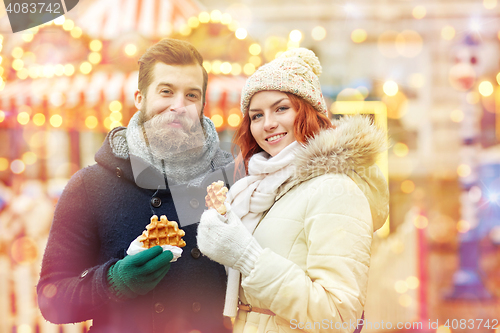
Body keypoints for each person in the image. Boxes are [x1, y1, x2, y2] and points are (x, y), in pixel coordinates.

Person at [37, 39, 235, 333]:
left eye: (191, 95)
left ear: (203, 106)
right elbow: (51, 299)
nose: (178, 106)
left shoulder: (229, 179)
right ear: (139, 98)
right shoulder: (90, 186)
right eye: (166, 91)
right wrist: (114, 281)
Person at [197, 48, 390, 333]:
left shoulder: (336, 190)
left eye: (281, 108)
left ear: (309, 111)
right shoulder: (256, 190)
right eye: (257, 115)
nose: (268, 124)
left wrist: (248, 257)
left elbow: (338, 317)